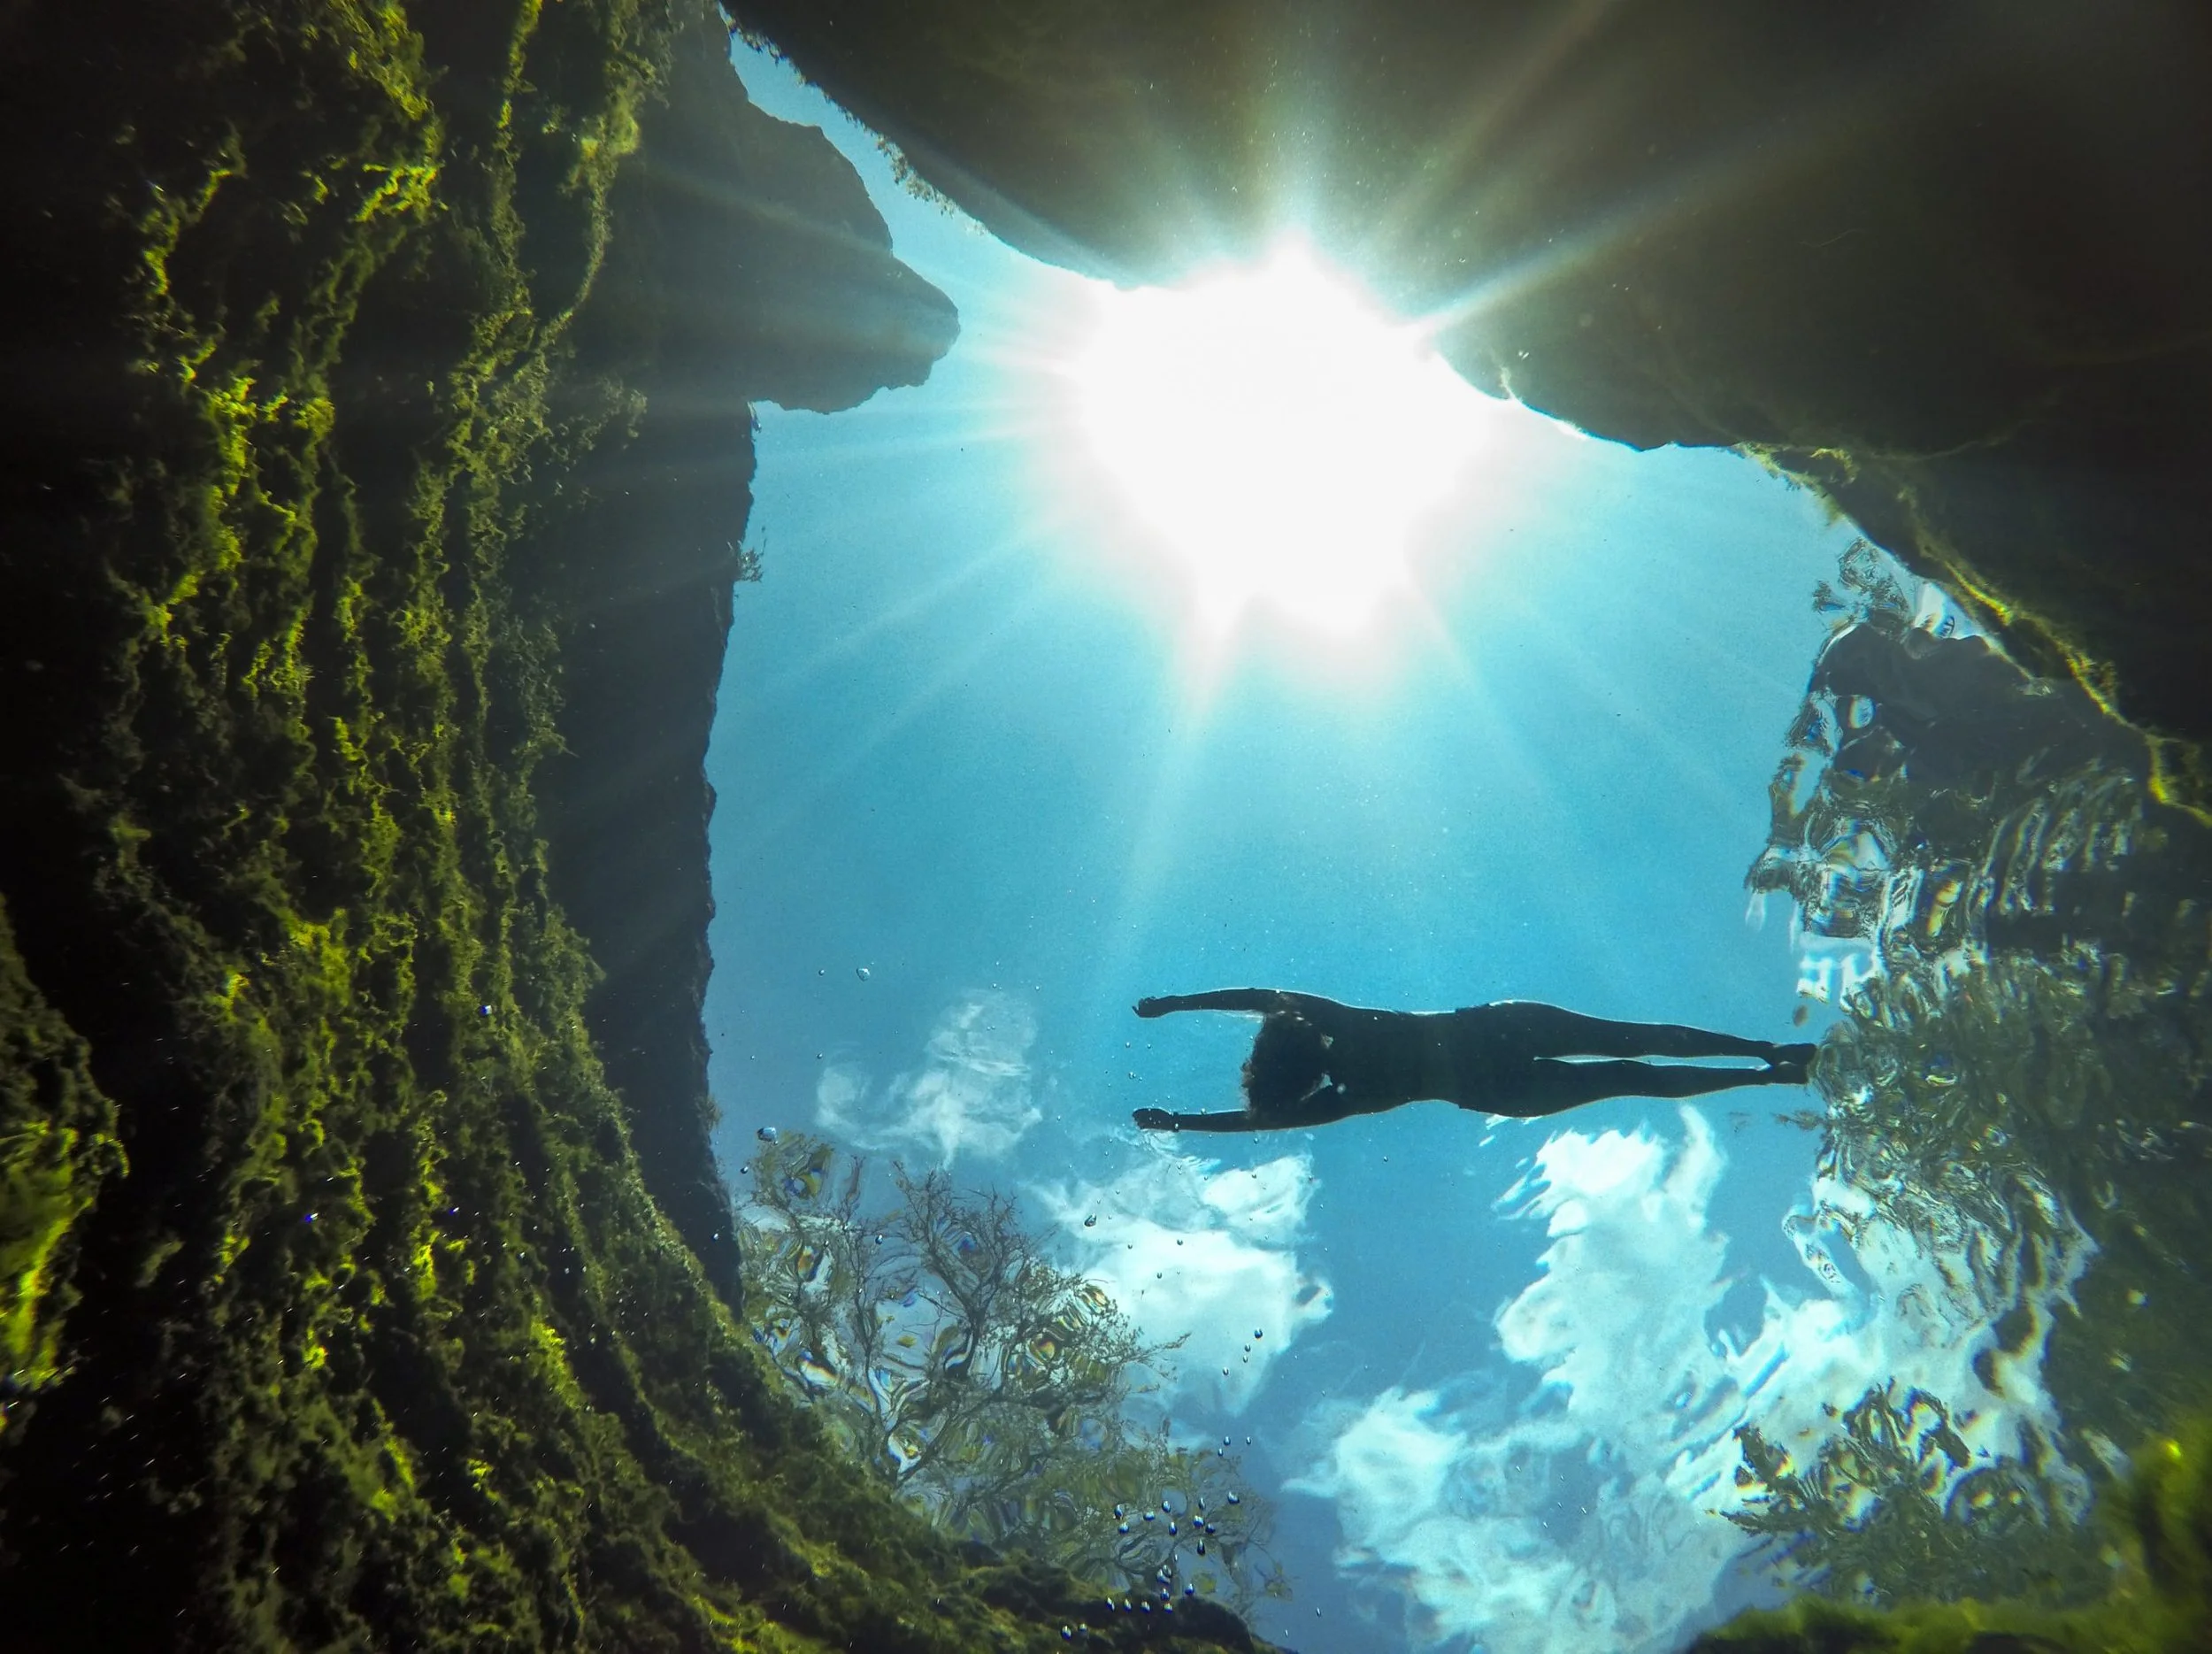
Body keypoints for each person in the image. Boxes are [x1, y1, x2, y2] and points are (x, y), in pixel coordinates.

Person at [1128, 989, 1815, 1135]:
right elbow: (1259, 993)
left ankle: (1768, 1067)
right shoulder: (1338, 1023)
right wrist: (1178, 1003)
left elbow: (1257, 1124)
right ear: (1293, 1035)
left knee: (1630, 1073)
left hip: (1501, 1086)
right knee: (1634, 1040)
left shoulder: (1344, 1094)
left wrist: (1180, 1123)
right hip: (1499, 1030)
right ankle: (1765, 1052)